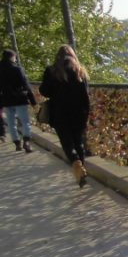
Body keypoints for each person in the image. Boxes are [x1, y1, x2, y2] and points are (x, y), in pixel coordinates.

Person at [39, 45, 90, 187]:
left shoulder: (51, 71)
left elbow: (44, 91)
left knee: (67, 142)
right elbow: (85, 94)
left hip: (60, 112)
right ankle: (81, 168)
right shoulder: (80, 71)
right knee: (78, 141)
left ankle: (76, 163)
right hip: (79, 112)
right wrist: (86, 113)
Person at [0, 49, 37, 153]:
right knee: (25, 121)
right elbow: (25, 84)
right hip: (19, 99)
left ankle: (17, 143)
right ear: (12, 57)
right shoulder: (17, 69)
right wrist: (33, 100)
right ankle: (26, 141)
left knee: (11, 123)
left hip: (6, 100)